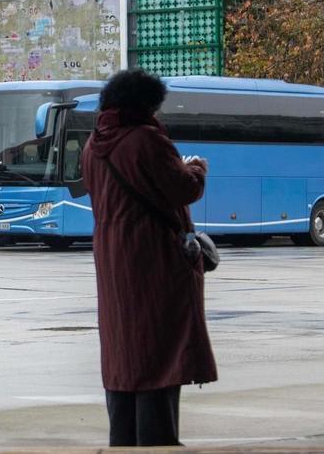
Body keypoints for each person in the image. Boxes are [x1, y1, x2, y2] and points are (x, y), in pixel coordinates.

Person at [80, 69, 217, 447]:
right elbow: (182, 188)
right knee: (159, 355)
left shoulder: (93, 146)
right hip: (152, 259)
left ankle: (123, 443)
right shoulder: (145, 140)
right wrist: (196, 169)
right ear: (145, 104)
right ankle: (156, 445)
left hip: (113, 260)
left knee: (124, 356)